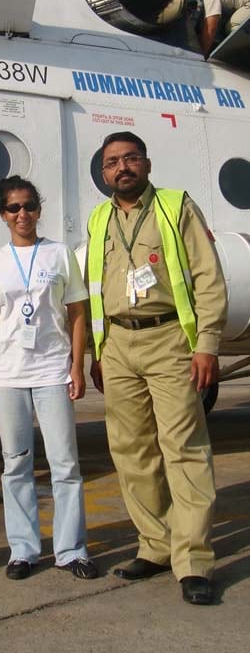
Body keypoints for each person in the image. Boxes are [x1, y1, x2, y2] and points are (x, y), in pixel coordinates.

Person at [87, 131, 227, 605]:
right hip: (118, 343)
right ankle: (155, 545)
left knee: (183, 448)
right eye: (111, 163)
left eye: (129, 159)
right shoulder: (99, 218)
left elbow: (208, 275)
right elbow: (96, 286)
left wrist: (206, 344)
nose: (120, 168)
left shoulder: (174, 206)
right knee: (131, 450)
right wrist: (97, 351)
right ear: (103, 172)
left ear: (146, 164)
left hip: (168, 339)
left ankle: (194, 560)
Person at [0, 175, 98, 581]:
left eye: (29, 205)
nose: (22, 214)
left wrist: (76, 366)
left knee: (65, 463)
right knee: (16, 463)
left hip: (52, 370)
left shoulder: (61, 255)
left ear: (39, 210)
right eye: (13, 208)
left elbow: (78, 313)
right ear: (3, 214)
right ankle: (23, 550)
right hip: (8, 373)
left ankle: (71, 550)